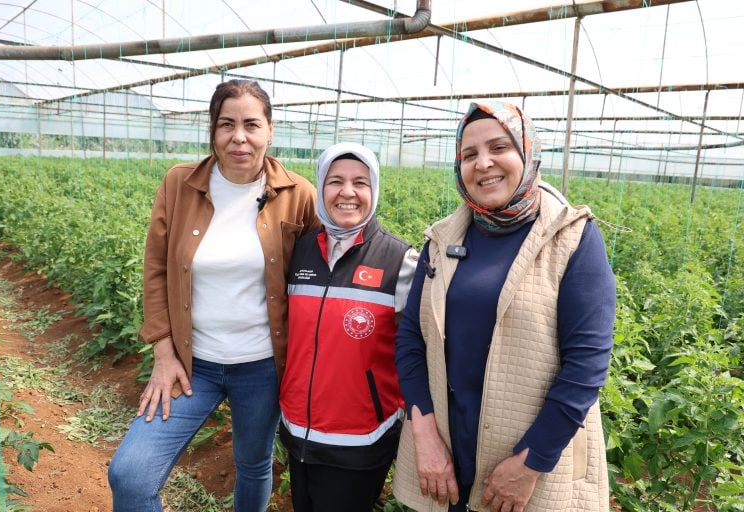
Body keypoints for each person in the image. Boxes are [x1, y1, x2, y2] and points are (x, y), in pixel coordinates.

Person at [392, 101, 616, 512]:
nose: (483, 164)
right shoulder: (441, 241)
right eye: (468, 154)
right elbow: (410, 340)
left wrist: (529, 465)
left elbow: (585, 365)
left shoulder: (573, 239)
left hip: (525, 460)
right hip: (448, 448)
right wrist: (423, 433)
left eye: (499, 147)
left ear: (527, 152)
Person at [108, 79, 320, 512]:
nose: (239, 137)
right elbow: (156, 269)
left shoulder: (298, 195)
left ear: (270, 130)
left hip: (262, 367)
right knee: (130, 474)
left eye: (251, 124)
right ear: (212, 130)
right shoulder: (179, 184)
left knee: (254, 464)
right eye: (227, 124)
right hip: (191, 365)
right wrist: (163, 353)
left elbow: (325, 268)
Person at [278, 142, 419, 512]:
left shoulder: (400, 261)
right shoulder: (301, 250)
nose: (347, 192)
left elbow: (416, 351)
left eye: (360, 182)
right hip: (298, 431)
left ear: (374, 189)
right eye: (335, 181)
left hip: (360, 440)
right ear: (321, 188)